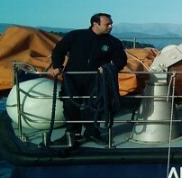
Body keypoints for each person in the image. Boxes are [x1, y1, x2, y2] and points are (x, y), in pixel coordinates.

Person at [49, 13, 127, 146]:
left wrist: (110, 67)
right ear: (95, 24)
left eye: (111, 24)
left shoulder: (113, 42)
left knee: (95, 106)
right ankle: (72, 133)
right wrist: (57, 66)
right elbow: (59, 50)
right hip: (73, 77)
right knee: (70, 105)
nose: (110, 26)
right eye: (107, 24)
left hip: (96, 79)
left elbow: (121, 60)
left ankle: (92, 132)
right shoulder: (76, 36)